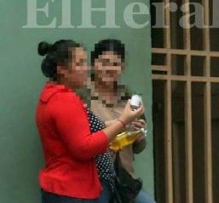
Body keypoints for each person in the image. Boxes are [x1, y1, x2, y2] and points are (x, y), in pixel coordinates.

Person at [36, 39, 144, 203]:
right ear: (62, 69)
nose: (86, 69)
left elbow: (86, 130)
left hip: (81, 185)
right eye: (79, 63)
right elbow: (84, 147)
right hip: (73, 189)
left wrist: (127, 126)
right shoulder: (66, 99)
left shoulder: (53, 94)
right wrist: (122, 121)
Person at [90, 39, 156, 203]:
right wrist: (118, 124)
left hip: (125, 177)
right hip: (94, 177)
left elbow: (139, 147)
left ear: (122, 68)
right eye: (104, 63)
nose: (109, 69)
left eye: (115, 64)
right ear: (93, 64)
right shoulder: (83, 97)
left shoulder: (129, 98)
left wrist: (139, 133)